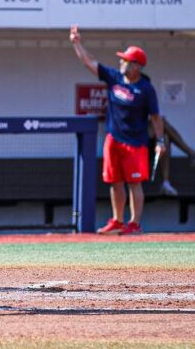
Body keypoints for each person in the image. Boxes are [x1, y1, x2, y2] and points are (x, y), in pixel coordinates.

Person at [70, 25, 166, 235]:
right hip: (114, 138)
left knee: (134, 183)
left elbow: (156, 117)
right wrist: (77, 44)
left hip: (136, 142)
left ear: (137, 66)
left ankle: (134, 223)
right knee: (114, 182)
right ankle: (118, 220)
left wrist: (160, 141)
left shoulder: (146, 89)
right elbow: (89, 62)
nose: (122, 63)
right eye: (122, 60)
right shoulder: (114, 77)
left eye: (127, 61)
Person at [148, 116, 195, 196]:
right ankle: (192, 153)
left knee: (165, 138)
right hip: (137, 144)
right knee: (161, 122)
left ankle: (166, 182)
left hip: (149, 146)